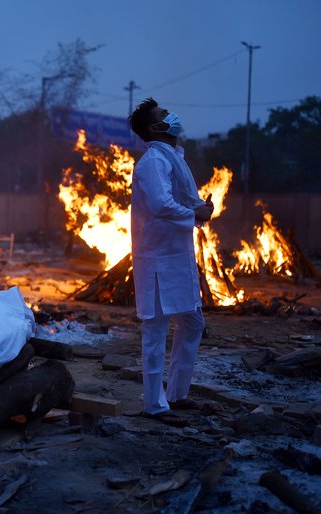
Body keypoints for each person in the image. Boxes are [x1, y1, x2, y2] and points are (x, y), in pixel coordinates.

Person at [127, 98, 213, 421]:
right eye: (164, 114)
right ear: (154, 128)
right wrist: (195, 214)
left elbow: (178, 200)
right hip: (157, 260)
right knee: (155, 332)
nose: (171, 116)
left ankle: (177, 394)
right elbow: (161, 204)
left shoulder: (173, 158)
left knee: (193, 323)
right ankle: (154, 405)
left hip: (177, 257)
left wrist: (200, 208)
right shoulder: (152, 162)